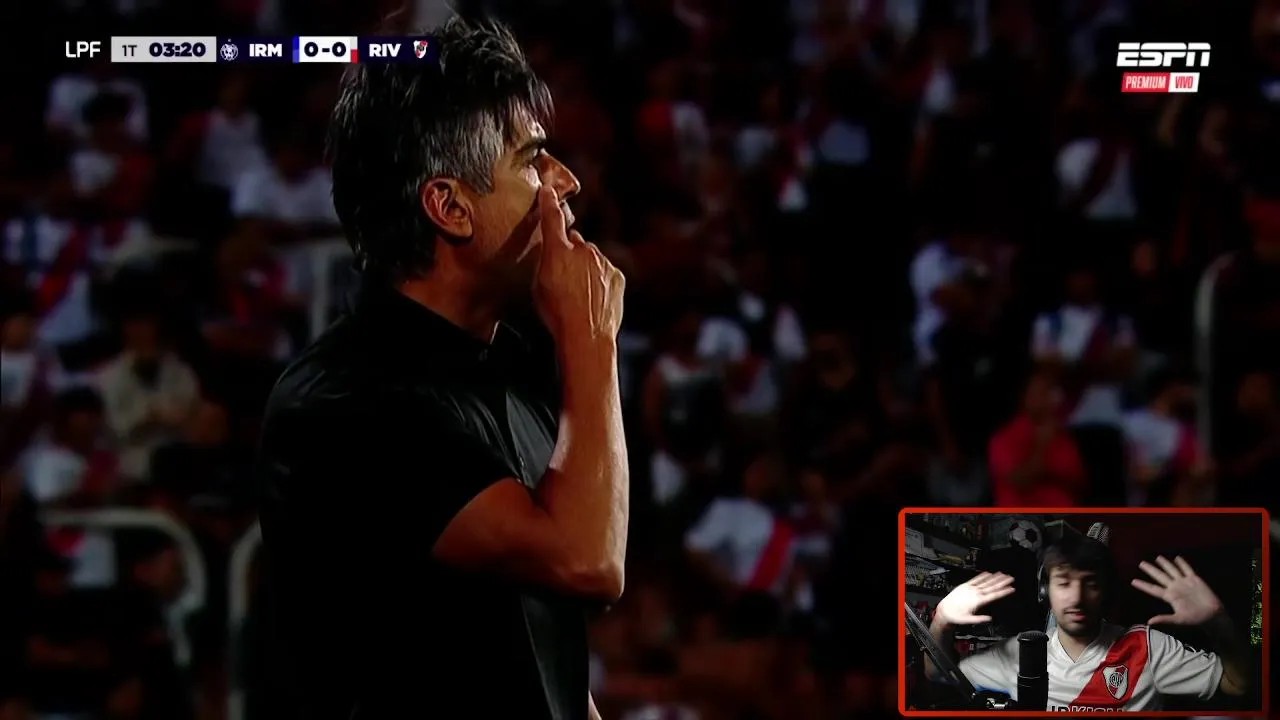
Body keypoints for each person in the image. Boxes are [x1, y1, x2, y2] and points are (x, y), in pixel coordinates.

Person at [255, 18, 628, 720]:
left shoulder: (508, 369)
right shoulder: (347, 402)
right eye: (533, 159)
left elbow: (546, 672)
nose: (566, 181)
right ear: (450, 207)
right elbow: (585, 562)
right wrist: (593, 340)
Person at [924, 532, 1253, 711]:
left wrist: (1218, 621)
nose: (1077, 597)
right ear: (1045, 591)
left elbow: (1239, 685)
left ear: (1105, 592)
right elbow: (937, 675)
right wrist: (943, 621)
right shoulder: (1024, 653)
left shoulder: (1148, 647)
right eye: (1064, 582)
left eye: (1091, 583)